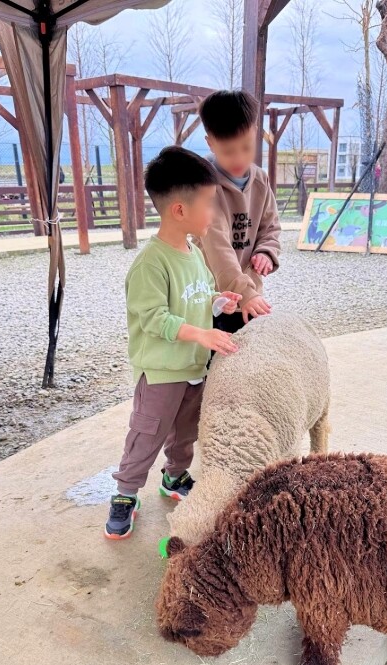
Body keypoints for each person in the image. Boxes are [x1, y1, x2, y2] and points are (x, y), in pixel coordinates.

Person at [105, 146, 241, 539]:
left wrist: (218, 302)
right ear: (179, 210)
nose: (214, 214)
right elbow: (154, 318)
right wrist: (201, 333)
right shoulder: (151, 263)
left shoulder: (193, 253)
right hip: (163, 372)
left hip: (194, 368)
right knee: (147, 433)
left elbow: (196, 298)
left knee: (185, 432)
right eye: (209, 204)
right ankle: (126, 492)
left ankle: (175, 476)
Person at [196, 90, 281, 334]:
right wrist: (244, 293)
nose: (239, 158)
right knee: (213, 362)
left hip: (250, 294)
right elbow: (217, 246)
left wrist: (267, 251)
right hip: (214, 297)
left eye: (246, 147)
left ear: (255, 133)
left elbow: (271, 227)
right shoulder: (204, 187)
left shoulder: (260, 181)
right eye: (228, 151)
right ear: (210, 143)